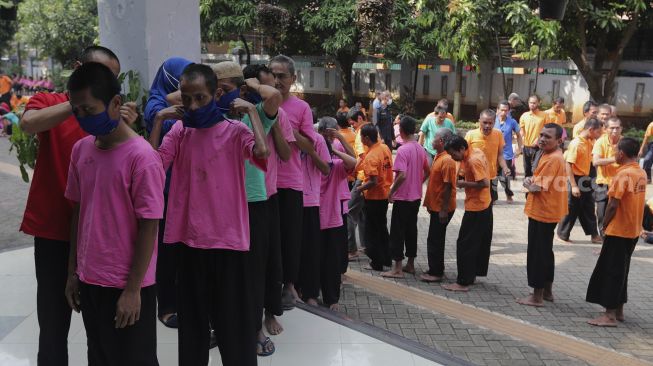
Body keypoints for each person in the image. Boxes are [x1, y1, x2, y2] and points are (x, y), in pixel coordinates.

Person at [18, 45, 135, 366]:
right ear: (78, 67)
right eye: (96, 74)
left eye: (109, 77)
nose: (103, 82)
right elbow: (29, 123)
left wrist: (126, 124)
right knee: (54, 322)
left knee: (102, 327)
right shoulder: (53, 101)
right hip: (55, 229)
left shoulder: (115, 112)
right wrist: (80, 102)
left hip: (102, 236)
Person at [148, 63, 268, 366]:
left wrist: (253, 112)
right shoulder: (180, 131)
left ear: (216, 94)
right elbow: (150, 168)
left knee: (235, 328)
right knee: (193, 329)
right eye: (186, 99)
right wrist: (159, 119)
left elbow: (263, 154)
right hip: (189, 244)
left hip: (229, 244)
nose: (192, 105)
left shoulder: (234, 131)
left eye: (200, 97)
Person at [63, 62, 164, 366]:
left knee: (135, 358)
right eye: (76, 111)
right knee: (100, 355)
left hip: (127, 283)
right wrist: (73, 272)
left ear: (116, 103)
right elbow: (79, 213)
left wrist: (133, 290)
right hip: (90, 278)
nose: (83, 118)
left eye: (90, 110)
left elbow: (149, 226)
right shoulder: (81, 150)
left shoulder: (142, 157)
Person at [213, 61, 284, 357]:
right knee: (223, 271)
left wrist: (249, 86)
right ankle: (221, 325)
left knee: (253, 272)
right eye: (216, 92)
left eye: (225, 90)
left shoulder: (251, 119)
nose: (221, 97)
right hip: (221, 207)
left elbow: (274, 97)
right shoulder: (209, 120)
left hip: (254, 204)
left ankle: (254, 328)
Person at [243, 63, 293, 340]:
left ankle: (269, 313)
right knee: (244, 265)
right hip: (239, 199)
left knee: (269, 261)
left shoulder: (275, 113)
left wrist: (270, 122)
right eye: (265, 85)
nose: (272, 90)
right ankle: (244, 319)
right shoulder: (234, 114)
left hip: (268, 195)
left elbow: (286, 155)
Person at [143, 56, 193, 330]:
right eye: (183, 79)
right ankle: (167, 306)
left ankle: (181, 299)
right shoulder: (156, 104)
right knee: (165, 250)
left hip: (185, 185)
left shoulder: (181, 102)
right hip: (164, 186)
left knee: (182, 248)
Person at [269, 55, 318, 309]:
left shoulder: (301, 108)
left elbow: (310, 146)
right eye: (273, 75)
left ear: (293, 79)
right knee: (269, 238)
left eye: (282, 76)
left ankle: (289, 285)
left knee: (290, 237)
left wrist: (286, 125)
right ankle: (270, 285)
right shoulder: (260, 102)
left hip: (289, 182)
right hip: (263, 182)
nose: (277, 81)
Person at [585, 138, 646, 327]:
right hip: (632, 230)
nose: (614, 155)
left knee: (611, 271)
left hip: (619, 231)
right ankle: (619, 310)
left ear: (621, 154)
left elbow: (612, 204)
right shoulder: (641, 172)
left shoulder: (623, 175)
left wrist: (604, 225)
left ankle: (609, 315)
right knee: (622, 270)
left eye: (616, 151)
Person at [516, 123, 568, 307]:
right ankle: (547, 291)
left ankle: (536, 296)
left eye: (548, 136)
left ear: (559, 141)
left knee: (538, 253)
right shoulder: (549, 155)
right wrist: (532, 180)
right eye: (542, 135)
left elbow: (537, 188)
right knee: (545, 251)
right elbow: (539, 181)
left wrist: (527, 183)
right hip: (547, 210)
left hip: (543, 212)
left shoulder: (553, 158)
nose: (543, 139)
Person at [442, 135, 492, 292]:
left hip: (477, 206)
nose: (452, 157)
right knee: (477, 242)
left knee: (465, 244)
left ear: (462, 149)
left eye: (453, 154)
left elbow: (484, 183)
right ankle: (472, 275)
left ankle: (463, 282)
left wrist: (464, 183)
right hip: (485, 204)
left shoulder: (472, 160)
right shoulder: (475, 151)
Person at [317, 117, 356, 310]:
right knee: (314, 257)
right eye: (329, 134)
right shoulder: (311, 158)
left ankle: (331, 299)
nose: (331, 137)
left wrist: (334, 145)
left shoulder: (336, 164)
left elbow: (353, 162)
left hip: (332, 217)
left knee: (331, 260)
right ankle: (309, 292)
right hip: (314, 216)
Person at [382, 116, 429, 278]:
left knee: (397, 231)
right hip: (415, 197)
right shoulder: (420, 149)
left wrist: (391, 191)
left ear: (401, 131)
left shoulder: (402, 150)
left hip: (402, 198)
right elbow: (427, 171)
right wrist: (418, 182)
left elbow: (401, 175)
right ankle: (410, 264)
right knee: (411, 230)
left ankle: (397, 269)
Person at [296, 120, 332, 308]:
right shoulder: (283, 136)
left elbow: (326, 169)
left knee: (310, 250)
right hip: (287, 197)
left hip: (309, 201)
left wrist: (310, 151)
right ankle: (291, 287)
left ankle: (310, 292)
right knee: (291, 247)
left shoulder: (317, 140)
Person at [557, 118, 603, 244]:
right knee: (572, 208)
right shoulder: (576, 143)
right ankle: (562, 233)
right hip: (576, 179)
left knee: (588, 207)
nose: (599, 135)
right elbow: (568, 165)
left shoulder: (590, 141)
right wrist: (574, 186)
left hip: (586, 178)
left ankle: (594, 235)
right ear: (591, 130)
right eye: (598, 132)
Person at [420, 129, 457, 283]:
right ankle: (435, 268)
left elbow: (448, 186)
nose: (431, 140)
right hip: (436, 207)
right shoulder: (439, 156)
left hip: (442, 208)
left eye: (434, 138)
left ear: (441, 141)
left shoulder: (447, 160)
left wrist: (443, 210)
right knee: (434, 238)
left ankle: (436, 272)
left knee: (436, 239)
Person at [357, 124, 393, 271]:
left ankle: (376, 262)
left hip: (373, 198)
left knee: (371, 231)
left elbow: (373, 181)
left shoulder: (372, 156)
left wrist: (359, 188)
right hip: (384, 195)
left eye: (361, 137)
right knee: (382, 228)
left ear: (366, 138)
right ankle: (386, 258)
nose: (360, 139)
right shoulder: (384, 148)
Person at [465, 109, 511, 204]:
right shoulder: (471, 135)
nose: (487, 126)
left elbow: (500, 155)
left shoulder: (498, 134)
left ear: (494, 122)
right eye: (484, 122)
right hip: (475, 177)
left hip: (491, 177)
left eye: (490, 123)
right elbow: (464, 155)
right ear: (479, 121)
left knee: (490, 204)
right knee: (474, 203)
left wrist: (505, 167)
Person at [593, 117, 622, 238]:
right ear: (605, 129)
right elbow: (596, 161)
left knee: (618, 214)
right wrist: (615, 159)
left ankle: (614, 242)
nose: (615, 131)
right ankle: (605, 242)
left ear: (621, 129)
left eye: (617, 128)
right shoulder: (600, 142)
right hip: (603, 183)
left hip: (621, 183)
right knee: (602, 214)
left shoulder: (624, 142)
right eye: (612, 128)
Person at [346, 109, 370, 259]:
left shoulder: (361, 134)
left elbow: (361, 157)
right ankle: (365, 245)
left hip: (363, 177)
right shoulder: (372, 129)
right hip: (369, 177)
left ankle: (351, 249)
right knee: (362, 213)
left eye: (353, 123)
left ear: (360, 118)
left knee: (348, 211)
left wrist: (351, 171)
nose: (353, 126)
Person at [494, 100, 522, 198]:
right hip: (493, 153)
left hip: (506, 154)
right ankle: (493, 196)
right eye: (502, 110)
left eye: (506, 110)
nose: (504, 112)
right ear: (497, 110)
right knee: (493, 176)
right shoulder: (492, 120)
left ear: (509, 111)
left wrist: (519, 148)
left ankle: (508, 192)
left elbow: (519, 135)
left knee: (505, 177)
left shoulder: (512, 122)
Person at [519, 95, 547, 178]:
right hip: (526, 146)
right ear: (528, 103)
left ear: (538, 103)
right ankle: (527, 188)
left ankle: (535, 187)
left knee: (535, 168)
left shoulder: (544, 115)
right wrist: (520, 141)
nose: (532, 104)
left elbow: (546, 130)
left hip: (538, 146)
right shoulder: (524, 115)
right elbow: (521, 130)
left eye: (534, 103)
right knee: (526, 168)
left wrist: (538, 139)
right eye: (530, 103)